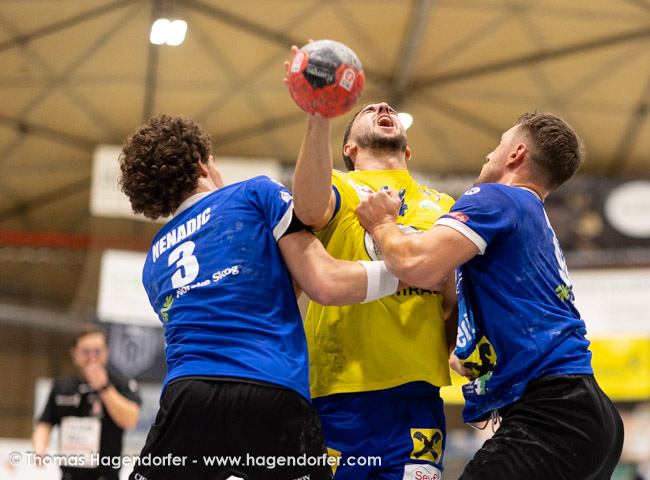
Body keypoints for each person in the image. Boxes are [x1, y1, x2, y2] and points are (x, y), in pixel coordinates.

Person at [117, 114, 402, 480]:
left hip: (188, 396)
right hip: (269, 386)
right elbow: (325, 283)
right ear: (202, 165)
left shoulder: (154, 260)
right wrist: (405, 272)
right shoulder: (253, 194)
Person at [356, 112, 624, 480]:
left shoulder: (496, 197)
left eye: (497, 145)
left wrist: (382, 224)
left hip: (553, 411)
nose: (487, 155)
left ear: (515, 154)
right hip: (585, 413)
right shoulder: (530, 215)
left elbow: (415, 264)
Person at [288, 85, 456, 476]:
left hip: (418, 395)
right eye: (367, 111)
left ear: (408, 151)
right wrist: (319, 114)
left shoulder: (443, 205)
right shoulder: (338, 185)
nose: (383, 105)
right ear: (349, 148)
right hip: (339, 392)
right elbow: (308, 209)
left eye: (388, 108)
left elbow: (452, 297)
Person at [32, 322, 141, 480]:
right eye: (85, 352)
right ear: (74, 353)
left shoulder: (121, 384)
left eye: (97, 351)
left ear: (106, 352)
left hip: (106, 476)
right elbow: (45, 423)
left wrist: (104, 387)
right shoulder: (62, 388)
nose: (92, 357)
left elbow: (130, 420)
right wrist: (39, 447)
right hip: (69, 475)